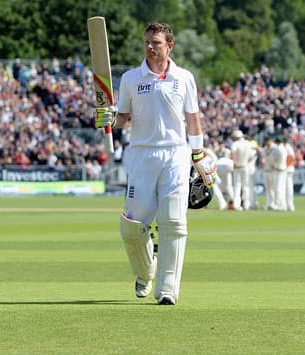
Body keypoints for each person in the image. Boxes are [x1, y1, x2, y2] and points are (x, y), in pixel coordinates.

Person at [95, 22, 216, 305]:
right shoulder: (131, 78)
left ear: (169, 46)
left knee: (173, 220)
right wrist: (109, 118)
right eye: (147, 42)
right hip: (142, 154)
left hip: (175, 153)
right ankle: (145, 271)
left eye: (156, 43)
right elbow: (123, 118)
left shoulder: (184, 78)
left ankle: (168, 289)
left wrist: (197, 154)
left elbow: (193, 118)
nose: (150, 47)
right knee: (132, 226)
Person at [230, 130, 255, 210]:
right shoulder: (248, 143)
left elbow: (232, 152)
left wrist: (234, 162)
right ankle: (246, 204)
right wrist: (247, 161)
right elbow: (253, 155)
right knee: (246, 186)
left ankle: (236, 204)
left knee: (237, 186)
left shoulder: (235, 144)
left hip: (237, 167)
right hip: (245, 166)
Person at [284, 136, 296, 211]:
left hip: (288, 169)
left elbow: (291, 158)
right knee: (286, 188)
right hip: (287, 169)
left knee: (288, 188)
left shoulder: (287, 147)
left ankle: (290, 205)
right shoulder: (286, 147)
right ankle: (287, 204)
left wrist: (286, 165)